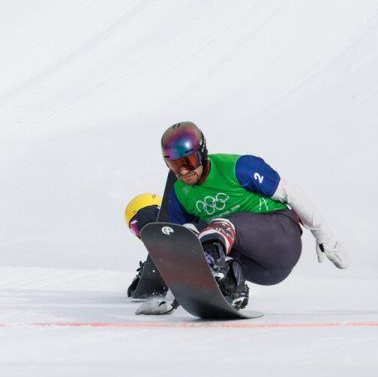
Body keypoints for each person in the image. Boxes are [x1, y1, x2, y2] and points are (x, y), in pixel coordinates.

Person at [125, 121, 348, 310]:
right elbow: (181, 248)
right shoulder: (179, 193)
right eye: (174, 165)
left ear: (202, 153)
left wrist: (325, 236)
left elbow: (292, 193)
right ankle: (231, 285)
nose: (183, 172)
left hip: (280, 238)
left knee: (218, 227)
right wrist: (172, 299)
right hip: (262, 271)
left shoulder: (238, 167)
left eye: (188, 162)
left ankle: (216, 266)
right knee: (195, 236)